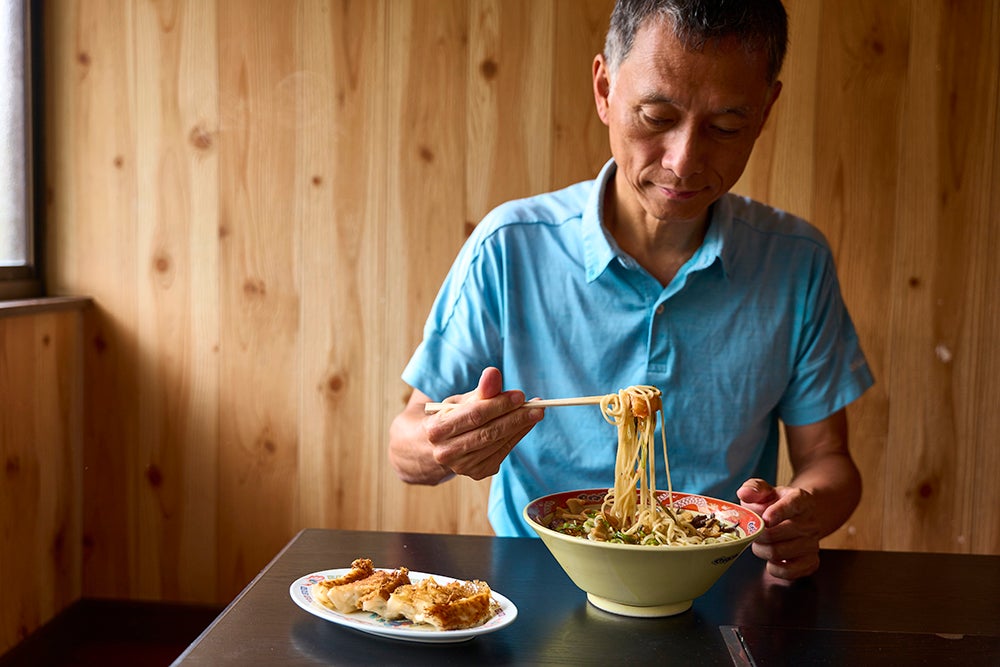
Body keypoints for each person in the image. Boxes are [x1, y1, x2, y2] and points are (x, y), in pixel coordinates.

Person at [389, 0, 873, 581]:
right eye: (656, 115)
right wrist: (446, 443)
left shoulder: (796, 262)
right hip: (541, 578)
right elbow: (406, 445)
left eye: (726, 127)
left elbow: (828, 460)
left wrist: (804, 511)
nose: (685, 161)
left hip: (717, 582)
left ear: (765, 111)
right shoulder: (511, 246)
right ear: (604, 89)